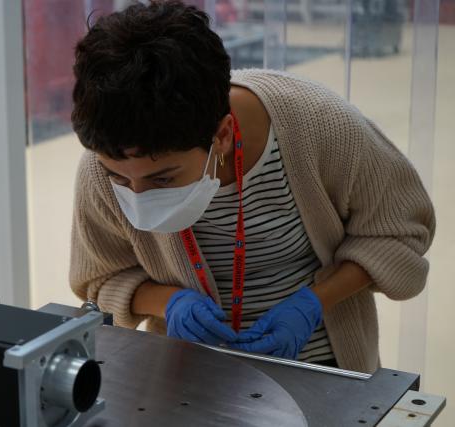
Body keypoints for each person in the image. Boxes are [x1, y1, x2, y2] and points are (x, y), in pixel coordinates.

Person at [68, 0, 435, 373]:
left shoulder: (321, 126)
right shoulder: (104, 161)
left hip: (321, 366)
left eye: (163, 178)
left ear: (222, 135)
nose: (138, 195)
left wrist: (313, 303)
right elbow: (100, 278)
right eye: (119, 177)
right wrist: (167, 302)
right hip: (189, 370)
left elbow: (399, 232)